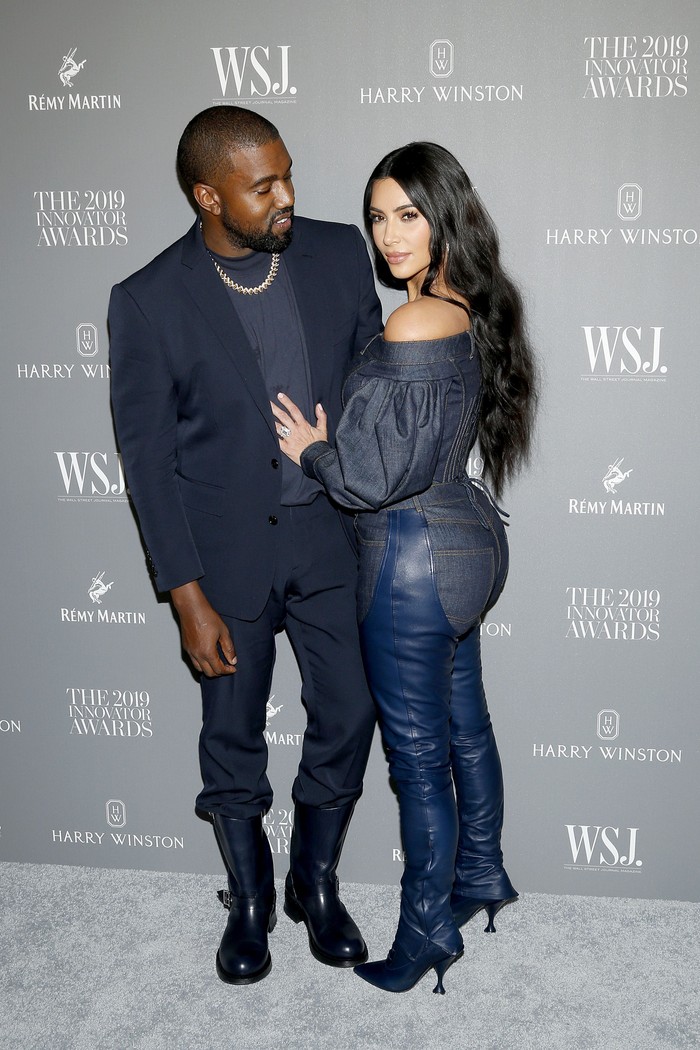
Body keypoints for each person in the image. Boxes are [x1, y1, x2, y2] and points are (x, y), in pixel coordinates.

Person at [108, 106, 382, 985]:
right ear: (208, 195)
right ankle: (251, 897)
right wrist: (185, 594)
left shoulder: (338, 255)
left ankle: (315, 877)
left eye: (288, 173)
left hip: (332, 537)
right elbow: (147, 463)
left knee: (349, 712)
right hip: (225, 558)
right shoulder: (148, 300)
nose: (287, 195)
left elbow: (378, 386)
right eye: (263, 184)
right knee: (232, 735)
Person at [271, 142, 537, 994]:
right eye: (378, 217)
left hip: (411, 560)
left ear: (445, 214)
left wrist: (316, 452)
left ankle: (426, 934)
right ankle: (481, 876)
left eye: (408, 215)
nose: (389, 236)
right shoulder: (467, 302)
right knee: (467, 729)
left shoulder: (415, 319)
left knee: (419, 759)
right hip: (468, 541)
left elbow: (367, 476)